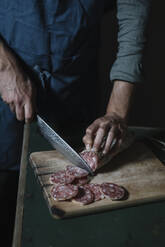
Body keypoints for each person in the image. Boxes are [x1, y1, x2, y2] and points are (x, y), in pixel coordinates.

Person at [0, 0, 150, 171]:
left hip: (76, 82)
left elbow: (134, 10)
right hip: (8, 76)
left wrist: (117, 112)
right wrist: (4, 67)